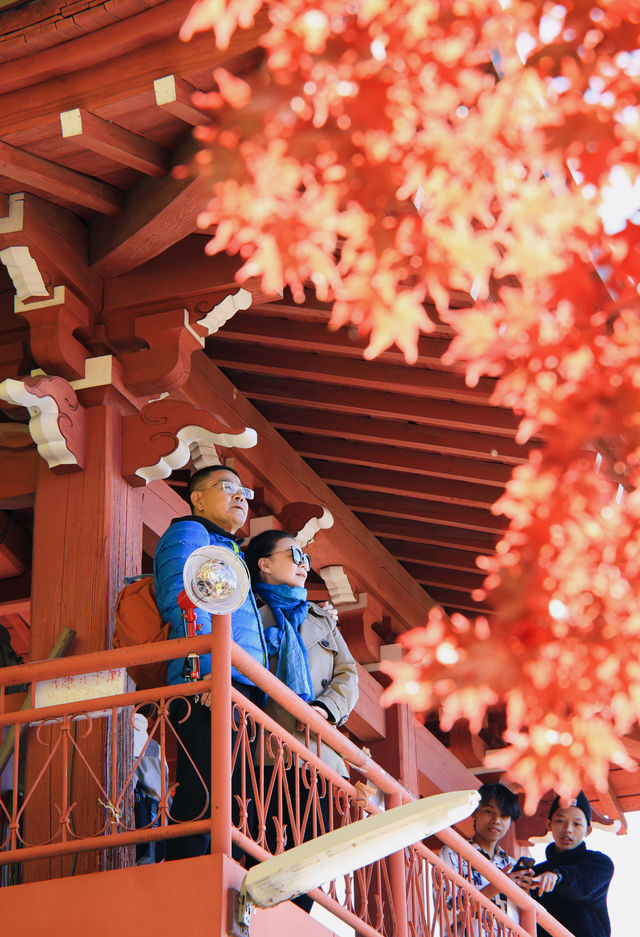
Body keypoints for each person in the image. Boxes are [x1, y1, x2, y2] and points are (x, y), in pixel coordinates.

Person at [153, 464, 267, 860]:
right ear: (197, 498)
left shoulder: (228, 548)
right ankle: (185, 870)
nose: (240, 497)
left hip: (236, 683)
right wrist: (209, 670)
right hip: (205, 679)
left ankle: (220, 869)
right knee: (203, 785)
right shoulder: (189, 534)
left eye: (243, 492)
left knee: (234, 793)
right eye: (227, 488)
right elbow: (182, 600)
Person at [244, 529, 359, 910]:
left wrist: (325, 710)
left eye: (305, 556)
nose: (303, 562)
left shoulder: (321, 619)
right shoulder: (245, 611)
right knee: (260, 855)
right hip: (264, 754)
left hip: (319, 756)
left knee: (309, 864)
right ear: (264, 564)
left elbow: (348, 674)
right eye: (293, 553)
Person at [439, 782, 534, 935]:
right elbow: (447, 914)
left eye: (504, 816)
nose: (496, 820)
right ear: (475, 812)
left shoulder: (511, 864)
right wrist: (499, 885)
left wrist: (525, 894)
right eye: (489, 811)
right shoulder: (453, 855)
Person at [532, 791, 613, 937]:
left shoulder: (600, 864)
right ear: (549, 824)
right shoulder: (536, 873)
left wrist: (557, 877)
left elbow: (580, 882)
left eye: (576, 824)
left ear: (587, 830)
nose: (568, 829)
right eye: (560, 821)